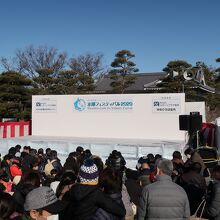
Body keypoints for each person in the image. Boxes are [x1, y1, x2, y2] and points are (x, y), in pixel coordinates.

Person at [61, 158, 126, 220]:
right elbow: (120, 211)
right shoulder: (96, 193)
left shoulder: (71, 191)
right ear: (96, 177)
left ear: (80, 176)